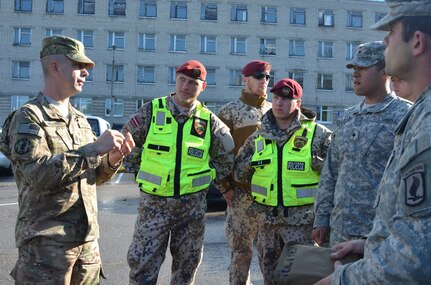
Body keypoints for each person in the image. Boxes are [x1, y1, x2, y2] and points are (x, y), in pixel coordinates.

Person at [0, 35, 135, 284]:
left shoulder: (80, 120)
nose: (85, 73)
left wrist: (112, 160)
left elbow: (92, 177)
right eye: (78, 66)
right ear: (54, 67)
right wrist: (93, 149)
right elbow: (37, 175)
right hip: (46, 247)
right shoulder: (29, 118)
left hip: (87, 244)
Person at [315, 0, 431, 284]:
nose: (385, 40)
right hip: (359, 238)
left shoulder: (414, 116)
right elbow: (332, 171)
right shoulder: (415, 113)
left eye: (391, 31)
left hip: (386, 264)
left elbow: (418, 249)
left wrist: (343, 280)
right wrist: (364, 241)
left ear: (416, 41)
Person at [122, 60, 235, 285]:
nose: (186, 86)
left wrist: (210, 178)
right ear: (175, 80)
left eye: (193, 82)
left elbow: (225, 157)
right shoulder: (152, 111)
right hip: (154, 206)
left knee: (186, 270)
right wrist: (138, 172)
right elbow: (126, 143)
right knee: (142, 268)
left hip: (191, 209)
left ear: (202, 87)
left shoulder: (209, 121)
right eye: (182, 80)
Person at [312, 41, 412, 247]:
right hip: (340, 231)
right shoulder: (348, 118)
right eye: (354, 68)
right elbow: (330, 173)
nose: (356, 74)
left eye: (364, 68)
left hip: (381, 235)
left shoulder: (405, 115)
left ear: (385, 70)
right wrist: (321, 219)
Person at [234, 78, 332, 285]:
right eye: (276, 97)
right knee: (270, 277)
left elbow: (336, 177)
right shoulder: (258, 138)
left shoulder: (318, 135)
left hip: (303, 225)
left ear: (298, 102)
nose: (279, 103)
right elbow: (239, 174)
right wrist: (253, 163)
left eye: (287, 99)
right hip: (267, 224)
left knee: (304, 278)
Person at [217, 60, 272, 285]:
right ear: (244, 79)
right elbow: (217, 153)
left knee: (270, 255)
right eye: (259, 76)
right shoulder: (229, 111)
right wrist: (225, 188)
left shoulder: (273, 110)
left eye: (267, 77)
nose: (264, 81)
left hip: (270, 195)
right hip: (240, 195)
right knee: (240, 254)